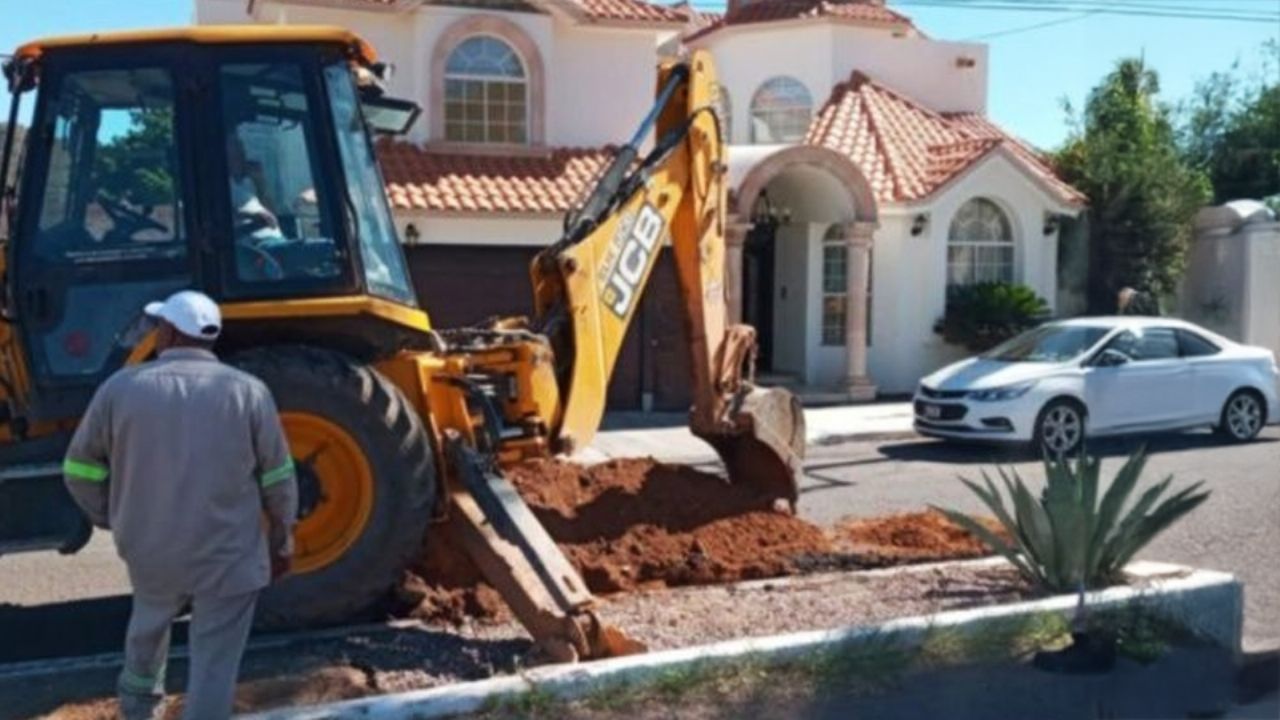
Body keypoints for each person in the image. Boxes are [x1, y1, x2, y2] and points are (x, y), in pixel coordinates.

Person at [62, 290, 298, 720]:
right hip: (229, 554)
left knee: (147, 635)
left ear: (168, 332)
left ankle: (139, 710)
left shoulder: (120, 389)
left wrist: (112, 515)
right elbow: (278, 477)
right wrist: (282, 539)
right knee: (215, 665)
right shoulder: (249, 392)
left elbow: (79, 469)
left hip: (151, 550)